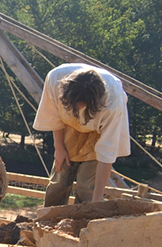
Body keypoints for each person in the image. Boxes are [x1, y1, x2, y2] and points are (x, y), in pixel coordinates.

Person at [34, 63, 130, 206]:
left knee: (87, 187)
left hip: (97, 133)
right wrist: (59, 147)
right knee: (59, 182)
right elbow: (54, 117)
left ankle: (83, 224)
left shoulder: (113, 101)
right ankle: (47, 222)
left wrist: (96, 201)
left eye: (82, 105)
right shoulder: (55, 79)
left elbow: (107, 154)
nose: (78, 109)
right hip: (68, 128)